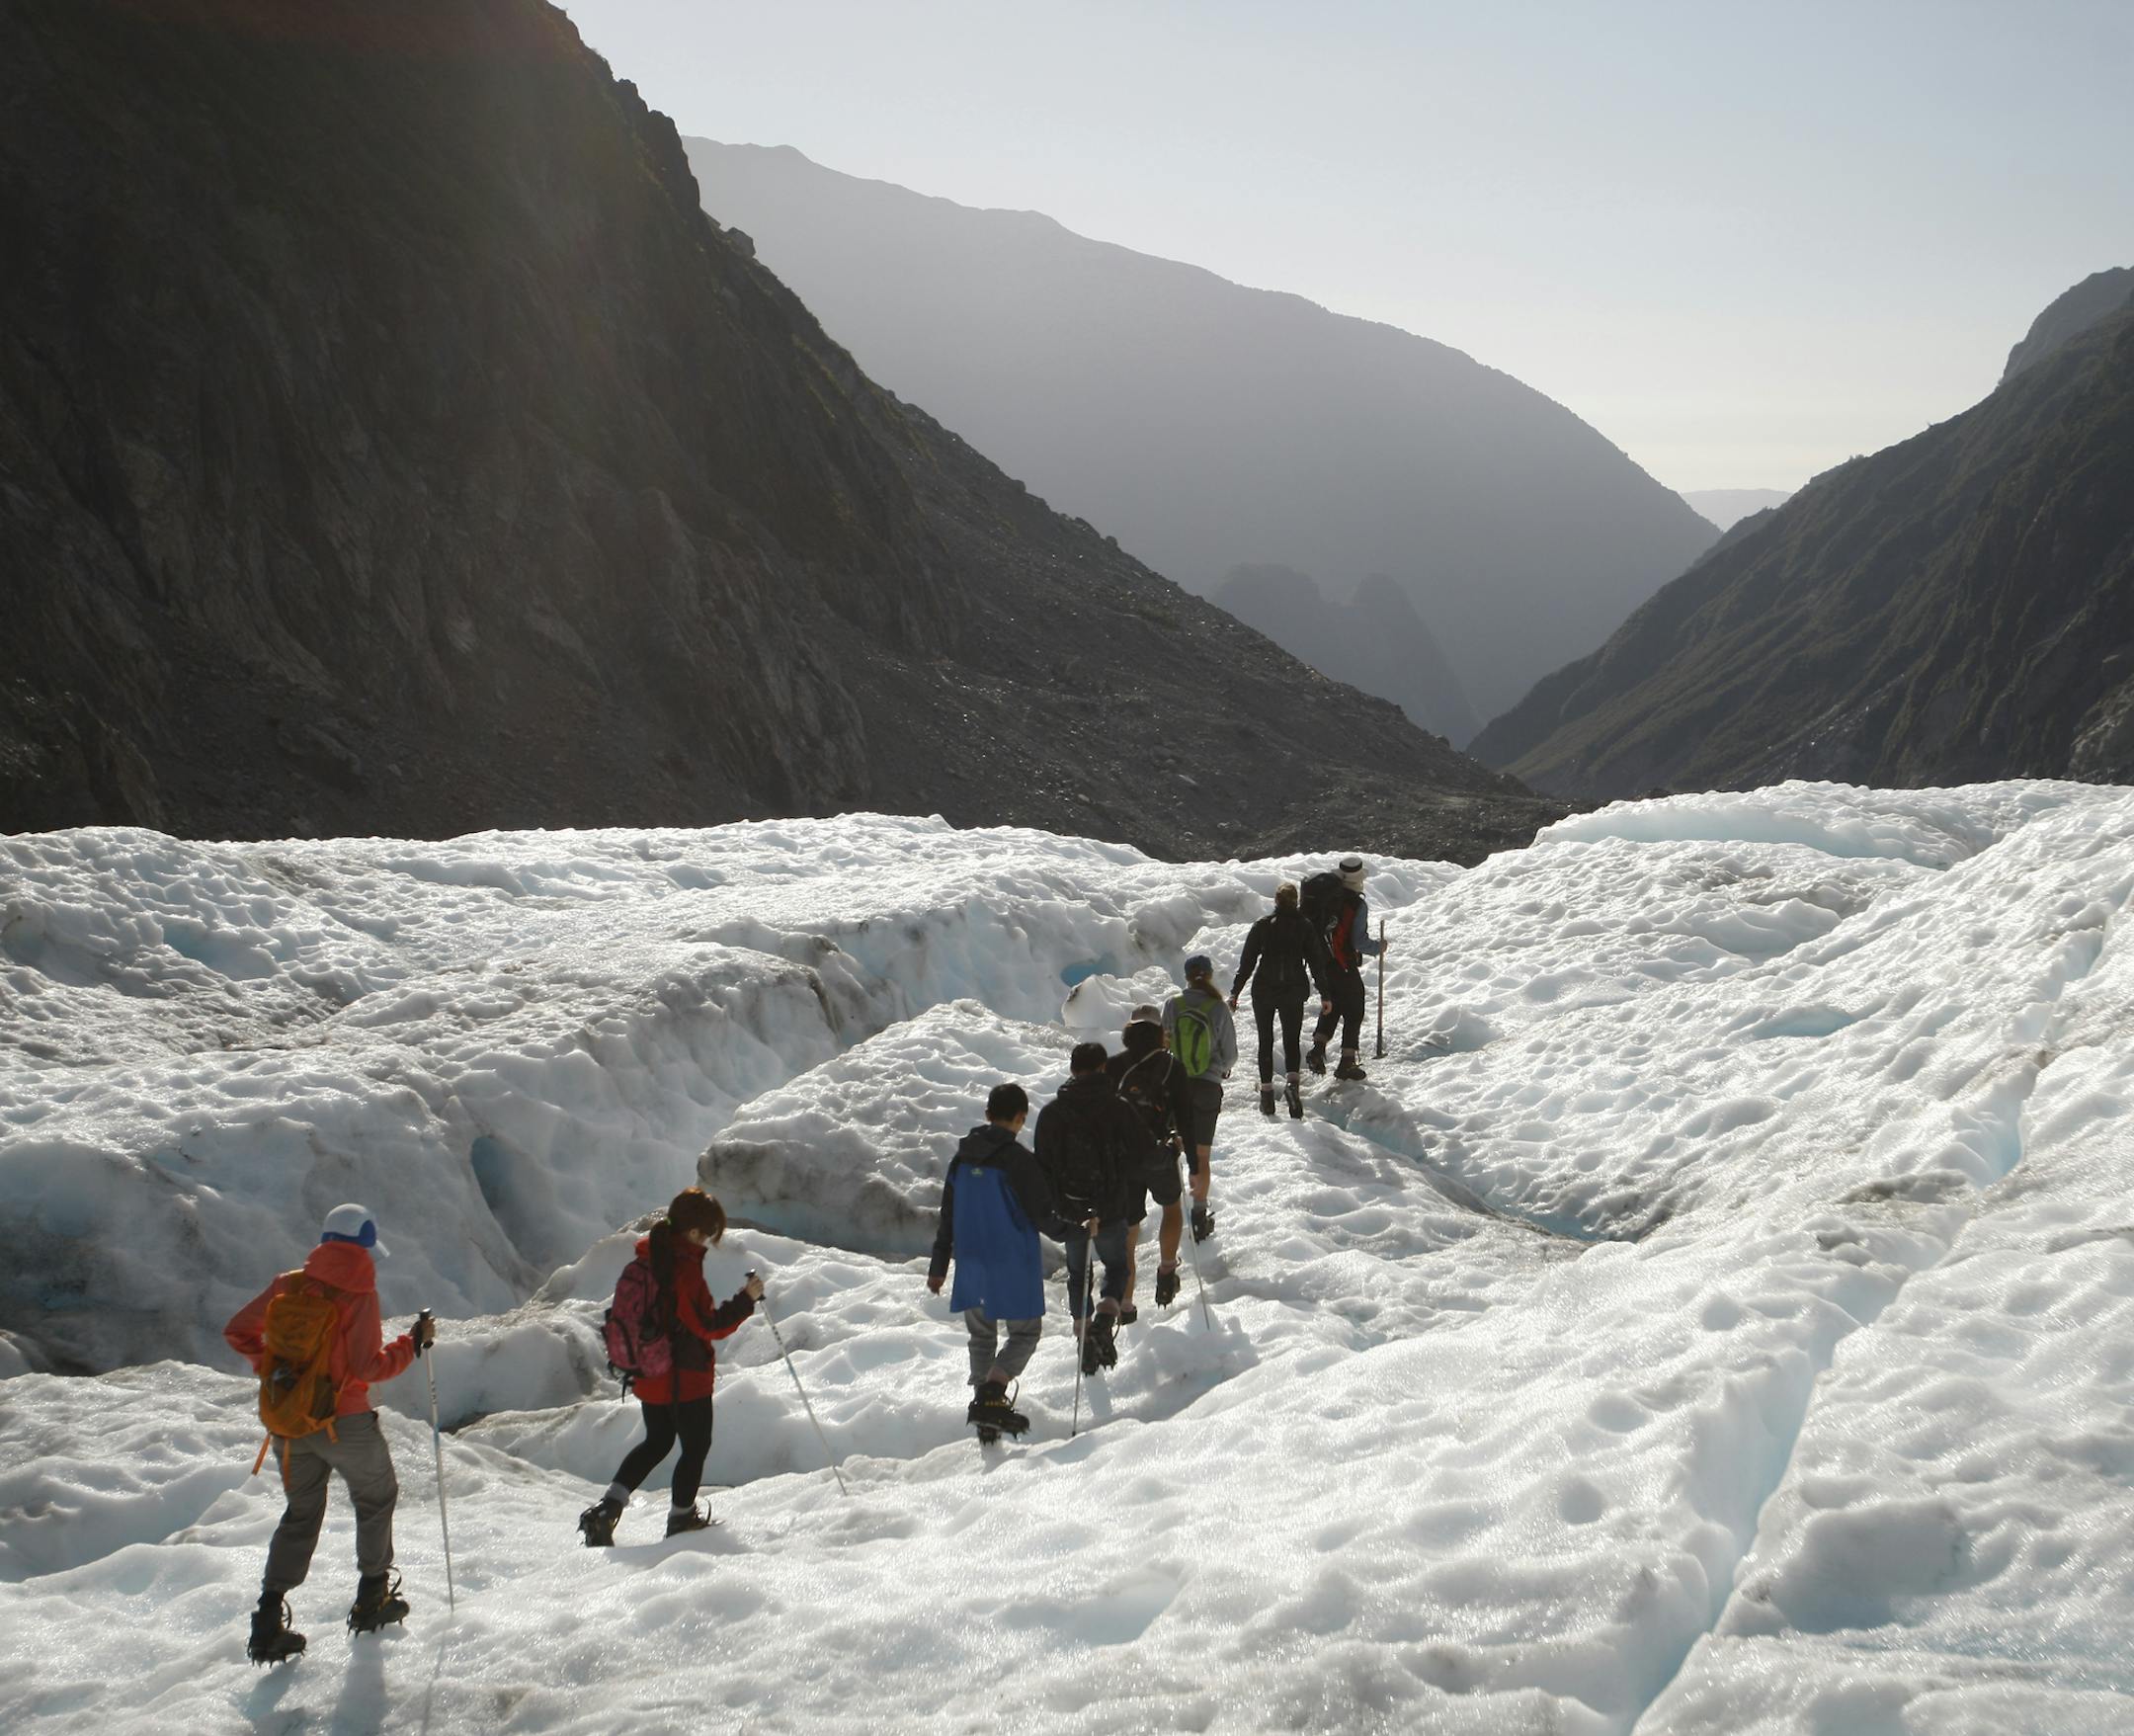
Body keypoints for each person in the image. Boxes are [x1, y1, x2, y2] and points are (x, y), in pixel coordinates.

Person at [224, 1201, 437, 1666]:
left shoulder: (289, 1285)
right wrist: (411, 1344)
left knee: (301, 1512)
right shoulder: (359, 1294)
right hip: (346, 1423)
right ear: (364, 1247)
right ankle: (371, 1599)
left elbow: (238, 1330)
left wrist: (276, 1372)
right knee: (376, 1497)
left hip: (291, 1423)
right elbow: (367, 1367)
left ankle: (267, 1621)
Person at [578, 1188, 764, 1547]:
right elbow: (708, 1325)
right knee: (695, 1446)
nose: (708, 1241)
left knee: (657, 1441)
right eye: (707, 1233)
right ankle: (681, 1519)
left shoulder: (649, 1258)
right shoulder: (683, 1269)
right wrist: (746, 1300)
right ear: (694, 1231)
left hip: (648, 1372)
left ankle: (607, 1510)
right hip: (684, 1376)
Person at [927, 1082, 1063, 1441]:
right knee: (1025, 1333)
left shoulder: (961, 1159)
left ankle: (985, 1415)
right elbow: (1041, 1213)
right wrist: (1076, 1231)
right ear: (1021, 1118)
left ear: (988, 1115)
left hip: (972, 1262)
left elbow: (948, 1214)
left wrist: (939, 1264)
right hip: (1013, 1262)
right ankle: (991, 1394)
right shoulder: (1018, 1160)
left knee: (981, 1337)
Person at [1034, 1040, 1155, 1376]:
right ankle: (1105, 1316)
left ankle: (1084, 1336)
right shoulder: (1119, 1107)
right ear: (1103, 1068)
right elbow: (1143, 1152)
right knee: (1116, 1267)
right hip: (1113, 1207)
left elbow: (1042, 1167)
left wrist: (1058, 1206)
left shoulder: (1052, 1113)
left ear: (1073, 1070)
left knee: (1078, 1275)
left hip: (1072, 1210)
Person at [1106, 1007, 1192, 1316]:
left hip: (1122, 1158)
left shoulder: (1113, 1066)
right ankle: (1167, 1272)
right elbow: (1185, 1116)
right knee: (1171, 1207)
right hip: (1160, 1154)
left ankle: (1126, 1305)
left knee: (1128, 1230)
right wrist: (1193, 1161)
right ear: (1160, 1031)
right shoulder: (1172, 1066)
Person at [1229, 882, 1335, 1120]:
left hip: (1264, 989)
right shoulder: (1305, 927)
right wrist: (1325, 994)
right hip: (1293, 990)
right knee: (1291, 1038)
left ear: (1276, 901)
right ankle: (1292, 1086)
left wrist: (1235, 993)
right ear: (1296, 901)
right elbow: (1317, 964)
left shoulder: (1263, 926)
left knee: (1265, 1040)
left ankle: (1266, 1096)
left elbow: (1247, 962)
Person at [1163, 954, 1237, 1242]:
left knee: (1174, 1147)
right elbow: (1230, 1054)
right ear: (1208, 975)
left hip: (1175, 1084)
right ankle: (1199, 1212)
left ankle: (1170, 1207)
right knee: (1202, 1155)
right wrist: (1221, 1068)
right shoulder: (1217, 1007)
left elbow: (1164, 1042)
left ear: (1186, 976)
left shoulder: (1173, 1004)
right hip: (1207, 1087)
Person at [1306, 856, 1387, 1082]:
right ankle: (1347, 1063)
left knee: (1332, 1004)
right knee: (1354, 1008)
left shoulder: (1326, 899)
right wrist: (1378, 947)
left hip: (1322, 963)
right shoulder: (1356, 904)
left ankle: (1318, 1049)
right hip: (1343, 963)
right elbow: (1358, 941)